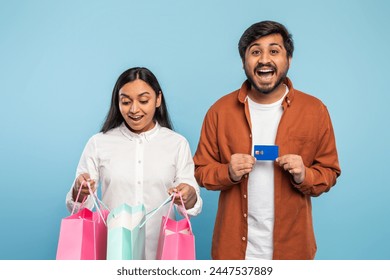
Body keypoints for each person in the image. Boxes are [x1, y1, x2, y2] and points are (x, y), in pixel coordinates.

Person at [193, 20, 341, 260]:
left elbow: (329, 172)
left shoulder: (315, 111)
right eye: (255, 52)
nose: (264, 59)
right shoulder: (219, 111)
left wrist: (304, 174)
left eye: (274, 51)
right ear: (244, 61)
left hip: (293, 251)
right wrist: (228, 172)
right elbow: (200, 171)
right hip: (233, 253)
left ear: (288, 60)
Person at [66, 66, 202, 259]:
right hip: (114, 251)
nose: (134, 109)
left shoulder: (177, 144)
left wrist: (188, 195)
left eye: (143, 100)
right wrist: (79, 190)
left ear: (158, 99)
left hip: (161, 251)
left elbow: (191, 206)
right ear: (118, 103)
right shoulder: (99, 143)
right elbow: (80, 206)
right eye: (126, 102)